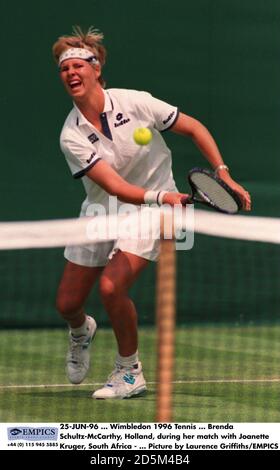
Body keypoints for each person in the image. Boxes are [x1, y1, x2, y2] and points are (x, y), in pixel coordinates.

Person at [52, 26, 251, 400]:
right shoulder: (71, 135)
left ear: (96, 69)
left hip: (151, 213)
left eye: (78, 66)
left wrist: (223, 173)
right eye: (64, 69)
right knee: (67, 303)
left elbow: (193, 128)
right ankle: (81, 330)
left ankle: (130, 373)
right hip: (103, 209)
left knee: (112, 287)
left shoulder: (135, 102)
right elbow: (112, 186)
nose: (71, 74)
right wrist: (162, 196)